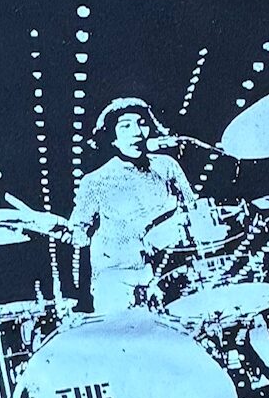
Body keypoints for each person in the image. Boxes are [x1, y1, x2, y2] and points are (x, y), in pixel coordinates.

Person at [68, 97, 207, 313]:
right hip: (119, 283)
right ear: (111, 137)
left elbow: (194, 212)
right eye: (125, 126)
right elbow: (78, 232)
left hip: (171, 276)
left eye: (142, 123)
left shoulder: (167, 166)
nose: (137, 133)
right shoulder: (95, 181)